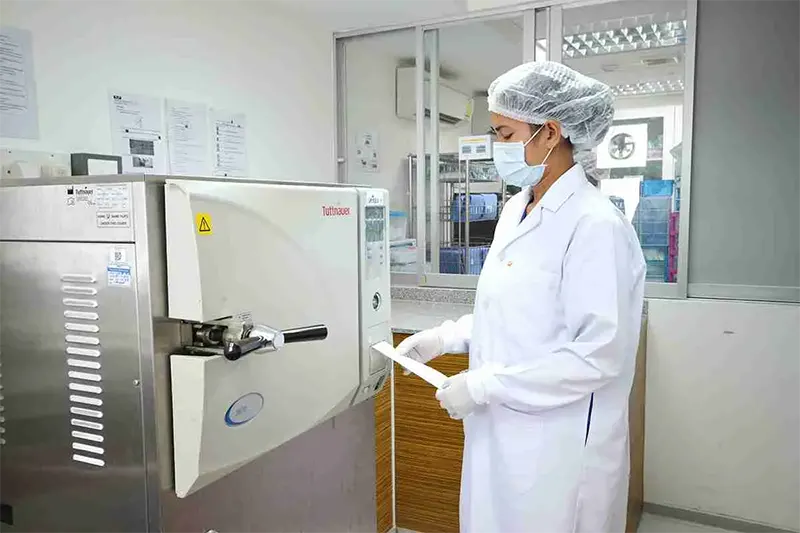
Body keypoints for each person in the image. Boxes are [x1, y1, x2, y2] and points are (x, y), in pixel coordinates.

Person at [396, 61, 646, 533]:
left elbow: (598, 356)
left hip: (559, 446)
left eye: (505, 133)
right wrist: (445, 337)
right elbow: (516, 309)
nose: (496, 147)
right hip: (501, 431)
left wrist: (485, 386)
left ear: (550, 133)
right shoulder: (517, 207)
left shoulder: (595, 226)